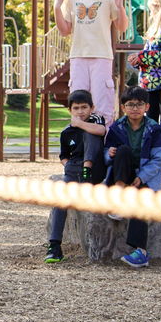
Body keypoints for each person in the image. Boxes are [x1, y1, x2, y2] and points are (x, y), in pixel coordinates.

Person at [54, 0, 129, 125]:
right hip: (78, 57)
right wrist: (56, 9)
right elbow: (65, 30)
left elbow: (122, 27)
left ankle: (105, 142)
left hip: (102, 56)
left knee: (102, 100)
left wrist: (120, 6)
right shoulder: (71, 1)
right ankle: (79, 142)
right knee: (78, 99)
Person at [104, 85, 161, 268]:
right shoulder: (116, 127)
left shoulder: (154, 129)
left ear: (147, 107)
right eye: (130, 105)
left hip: (145, 176)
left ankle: (141, 253)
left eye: (139, 105)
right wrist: (110, 153)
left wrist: (142, 178)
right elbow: (106, 154)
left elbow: (158, 159)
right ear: (123, 107)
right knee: (122, 150)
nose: (135, 109)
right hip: (124, 173)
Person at [45, 89, 107, 264]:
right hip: (74, 169)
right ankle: (54, 245)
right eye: (76, 108)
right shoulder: (66, 132)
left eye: (84, 107)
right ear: (70, 111)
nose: (80, 112)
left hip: (95, 166)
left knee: (91, 132)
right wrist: (69, 167)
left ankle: (86, 177)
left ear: (92, 108)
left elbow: (101, 131)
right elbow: (64, 157)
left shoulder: (96, 120)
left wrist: (79, 124)